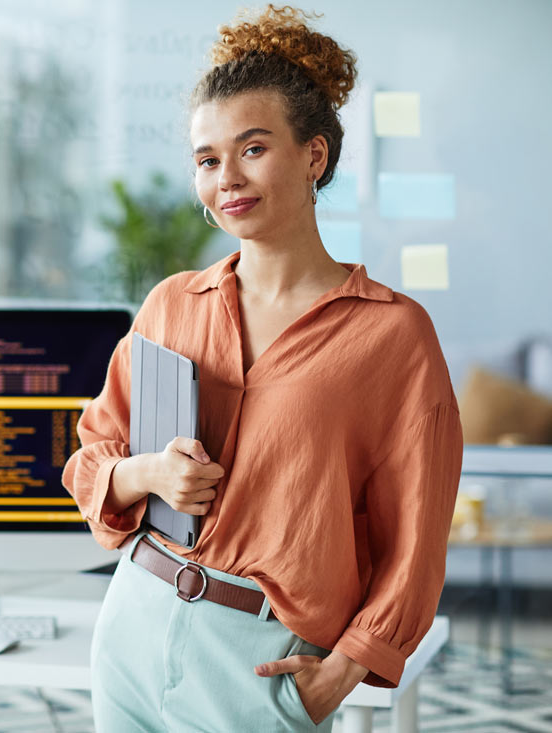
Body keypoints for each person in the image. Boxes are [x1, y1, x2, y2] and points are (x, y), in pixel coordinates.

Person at [61, 4, 464, 731]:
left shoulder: (394, 335)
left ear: (314, 156)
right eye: (208, 160)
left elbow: (417, 537)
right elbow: (94, 455)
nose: (227, 178)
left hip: (261, 659)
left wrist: (340, 671)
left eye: (252, 148)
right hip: (132, 625)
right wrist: (150, 474)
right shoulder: (172, 304)